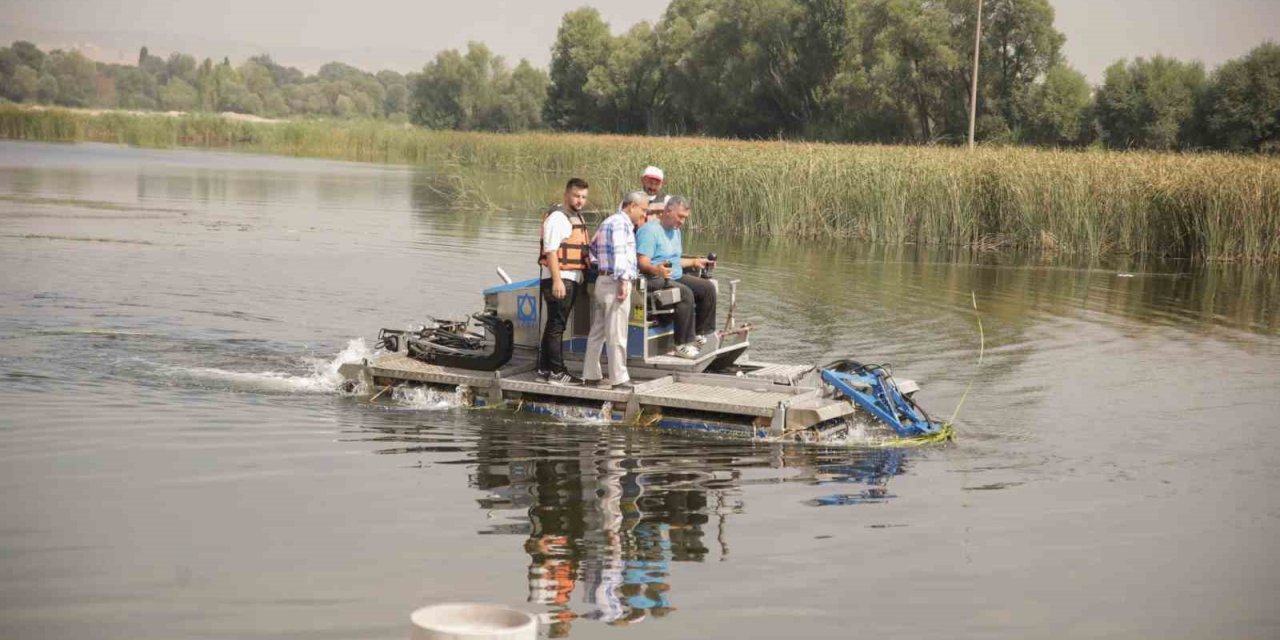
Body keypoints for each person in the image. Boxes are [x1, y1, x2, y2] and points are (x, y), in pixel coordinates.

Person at [635, 195, 716, 359]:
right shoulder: (649, 231)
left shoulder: (676, 231)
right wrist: (657, 270)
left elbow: (675, 260)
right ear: (667, 211)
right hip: (653, 278)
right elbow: (642, 263)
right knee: (684, 293)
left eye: (685, 218)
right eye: (680, 216)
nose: (682, 221)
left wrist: (694, 261)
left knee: (708, 288)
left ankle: (700, 334)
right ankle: (682, 344)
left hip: (674, 275)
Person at [582, 191, 648, 389]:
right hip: (615, 282)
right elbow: (619, 252)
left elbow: (593, 247)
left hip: (602, 279)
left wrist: (603, 265)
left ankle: (591, 375)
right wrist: (623, 280)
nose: (644, 214)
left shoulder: (608, 221)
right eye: (643, 209)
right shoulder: (621, 224)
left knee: (598, 332)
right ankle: (619, 378)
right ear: (632, 206)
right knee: (617, 333)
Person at [537, 178, 590, 385]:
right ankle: (557, 372)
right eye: (576, 196)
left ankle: (544, 369)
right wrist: (557, 281)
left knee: (554, 324)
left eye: (583, 197)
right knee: (557, 326)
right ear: (567, 194)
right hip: (561, 280)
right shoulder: (558, 218)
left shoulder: (575, 216)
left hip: (569, 278)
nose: (580, 200)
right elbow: (551, 251)